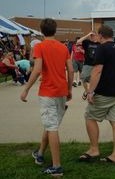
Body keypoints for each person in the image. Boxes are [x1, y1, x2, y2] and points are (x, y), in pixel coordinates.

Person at [20, 18, 73, 176]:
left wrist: (26, 89)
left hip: (48, 92)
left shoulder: (40, 47)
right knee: (51, 124)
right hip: (61, 92)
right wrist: (69, 89)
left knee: (52, 127)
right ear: (55, 30)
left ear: (41, 31)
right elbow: (70, 70)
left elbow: (36, 70)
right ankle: (41, 153)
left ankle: (56, 167)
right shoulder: (63, 47)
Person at [80, 25, 115, 164]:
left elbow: (97, 70)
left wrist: (90, 91)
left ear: (101, 36)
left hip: (104, 92)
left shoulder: (102, 48)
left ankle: (94, 149)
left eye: (97, 35)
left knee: (90, 117)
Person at [77, 32, 100, 98]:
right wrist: (88, 35)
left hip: (95, 65)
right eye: (91, 36)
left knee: (93, 80)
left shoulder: (99, 44)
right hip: (87, 64)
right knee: (83, 78)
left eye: (93, 35)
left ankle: (90, 92)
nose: (92, 37)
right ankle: (87, 91)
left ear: (96, 36)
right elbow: (78, 42)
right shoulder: (87, 42)